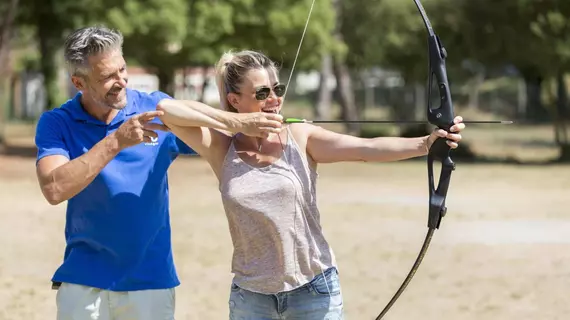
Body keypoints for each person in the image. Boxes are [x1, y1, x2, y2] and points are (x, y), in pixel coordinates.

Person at [156, 49, 467, 319]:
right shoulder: (222, 148)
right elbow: (167, 111)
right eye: (262, 93)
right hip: (251, 298)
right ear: (235, 100)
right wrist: (235, 124)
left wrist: (427, 143)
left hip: (313, 292)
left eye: (276, 89)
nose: (274, 99)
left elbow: (365, 149)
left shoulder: (300, 136)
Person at [34, 26, 282, 320]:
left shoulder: (156, 108)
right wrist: (116, 141)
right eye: (107, 77)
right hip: (83, 283)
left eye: (122, 69)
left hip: (151, 283)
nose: (121, 81)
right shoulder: (56, 123)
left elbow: (227, 141)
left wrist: (253, 116)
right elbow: (54, 188)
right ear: (79, 82)